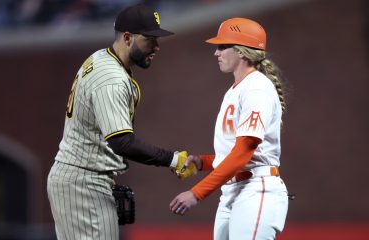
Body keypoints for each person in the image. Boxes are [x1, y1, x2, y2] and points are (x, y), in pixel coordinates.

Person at [47, 4, 195, 240]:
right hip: (84, 181)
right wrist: (174, 159)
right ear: (127, 38)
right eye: (150, 39)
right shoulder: (112, 79)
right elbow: (122, 142)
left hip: (78, 177)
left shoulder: (101, 57)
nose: (156, 46)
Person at [170, 18, 289, 240]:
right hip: (234, 190)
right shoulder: (236, 89)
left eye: (222, 46)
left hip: (256, 189)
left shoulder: (257, 88)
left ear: (242, 51)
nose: (217, 53)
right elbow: (235, 153)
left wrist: (197, 193)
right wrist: (203, 162)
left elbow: (244, 153)